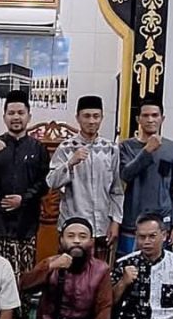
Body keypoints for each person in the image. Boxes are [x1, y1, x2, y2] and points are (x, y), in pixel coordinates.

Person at [0, 89, 50, 282]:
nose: (16, 117)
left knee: (22, 280)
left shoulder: (38, 148)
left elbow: (45, 183)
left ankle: (20, 304)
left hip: (25, 225)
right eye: (11, 113)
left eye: (21, 113)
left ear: (29, 116)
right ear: (4, 117)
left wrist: (23, 199)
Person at [46, 95, 124, 262]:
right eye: (86, 116)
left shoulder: (111, 149)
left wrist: (116, 221)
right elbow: (52, 182)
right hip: (73, 228)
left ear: (102, 117)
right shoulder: (66, 148)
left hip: (102, 226)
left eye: (96, 116)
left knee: (100, 272)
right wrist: (70, 163)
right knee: (69, 272)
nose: (91, 121)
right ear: (78, 118)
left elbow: (117, 190)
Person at [118, 102, 173, 256]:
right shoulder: (126, 146)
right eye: (145, 115)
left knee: (161, 265)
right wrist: (147, 150)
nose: (150, 120)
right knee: (130, 264)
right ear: (138, 119)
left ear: (162, 118)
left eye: (155, 115)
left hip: (162, 219)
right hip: (133, 220)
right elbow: (126, 175)